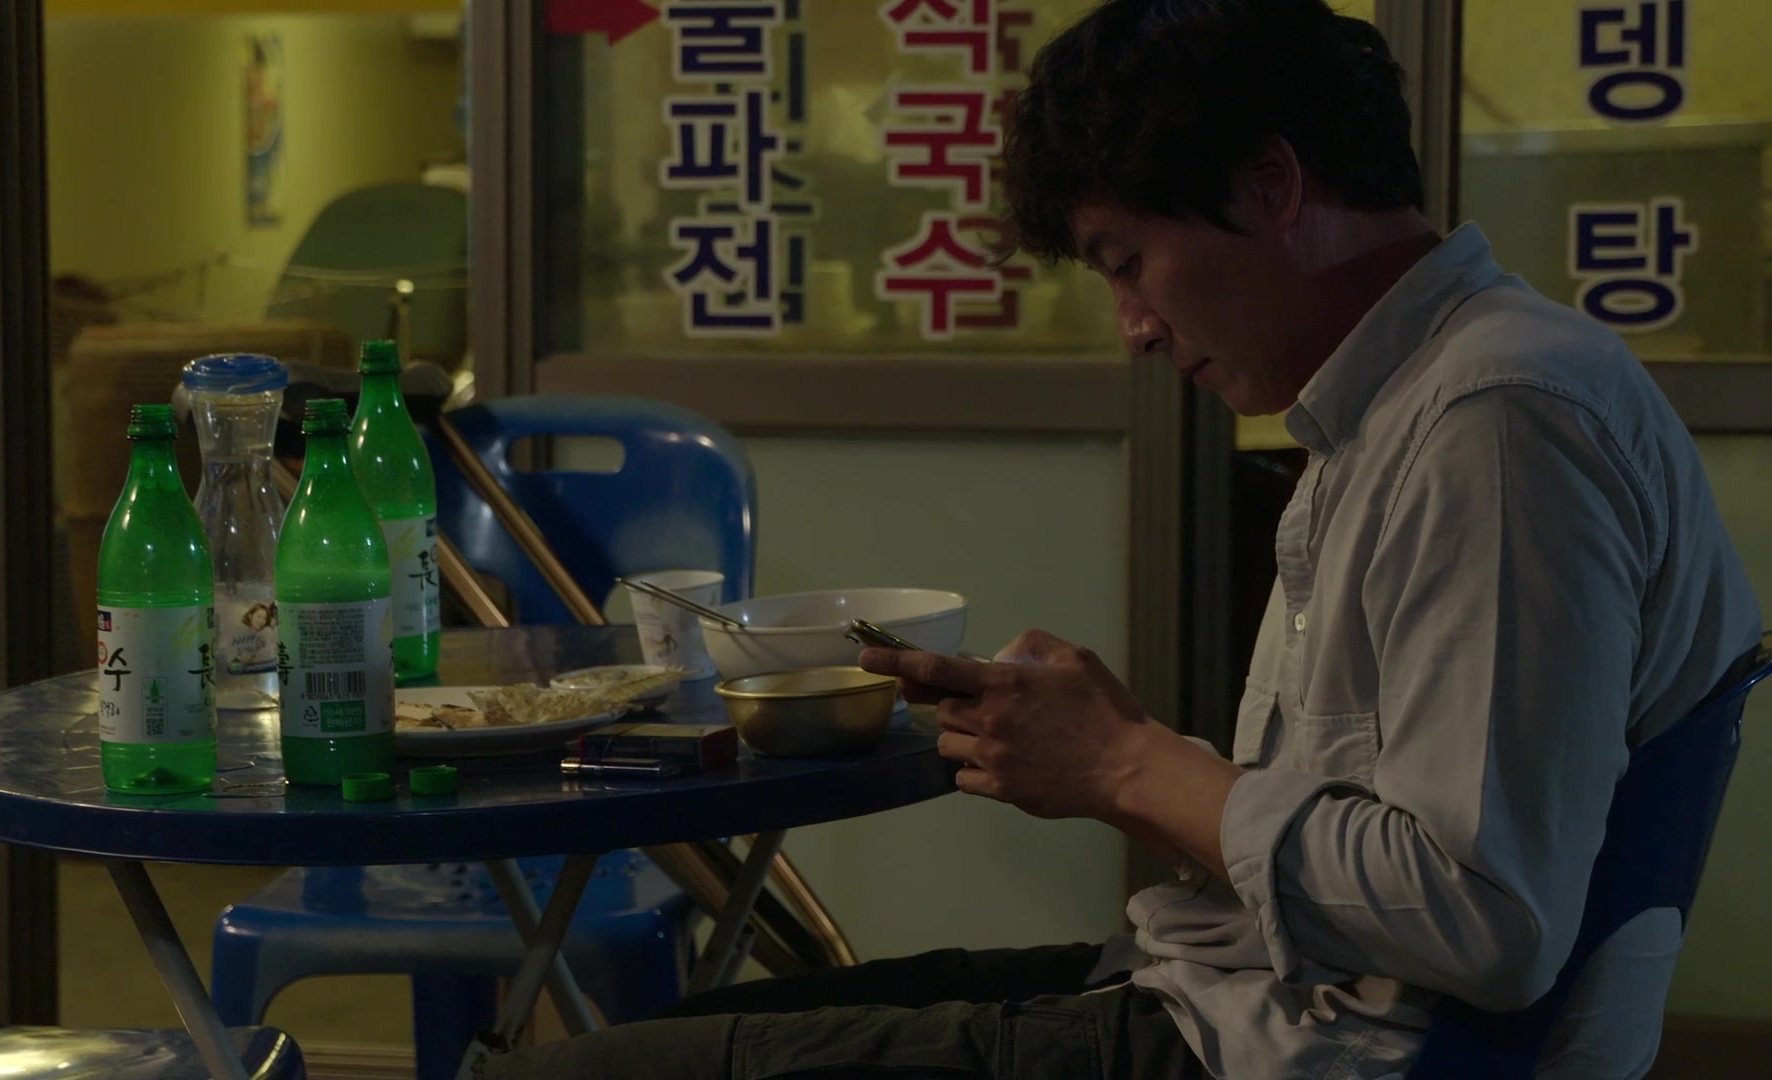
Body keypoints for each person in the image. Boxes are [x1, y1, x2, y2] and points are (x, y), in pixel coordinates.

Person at [483, 1, 1762, 1077]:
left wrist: (1128, 765)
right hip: (1258, 994)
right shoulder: (1408, 402)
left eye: (1128, 260)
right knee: (670, 1040)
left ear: (1271, 187)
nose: (1132, 329)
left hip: (1314, 1048)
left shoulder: (1492, 422)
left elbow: (1483, 918)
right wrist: (1120, 752)